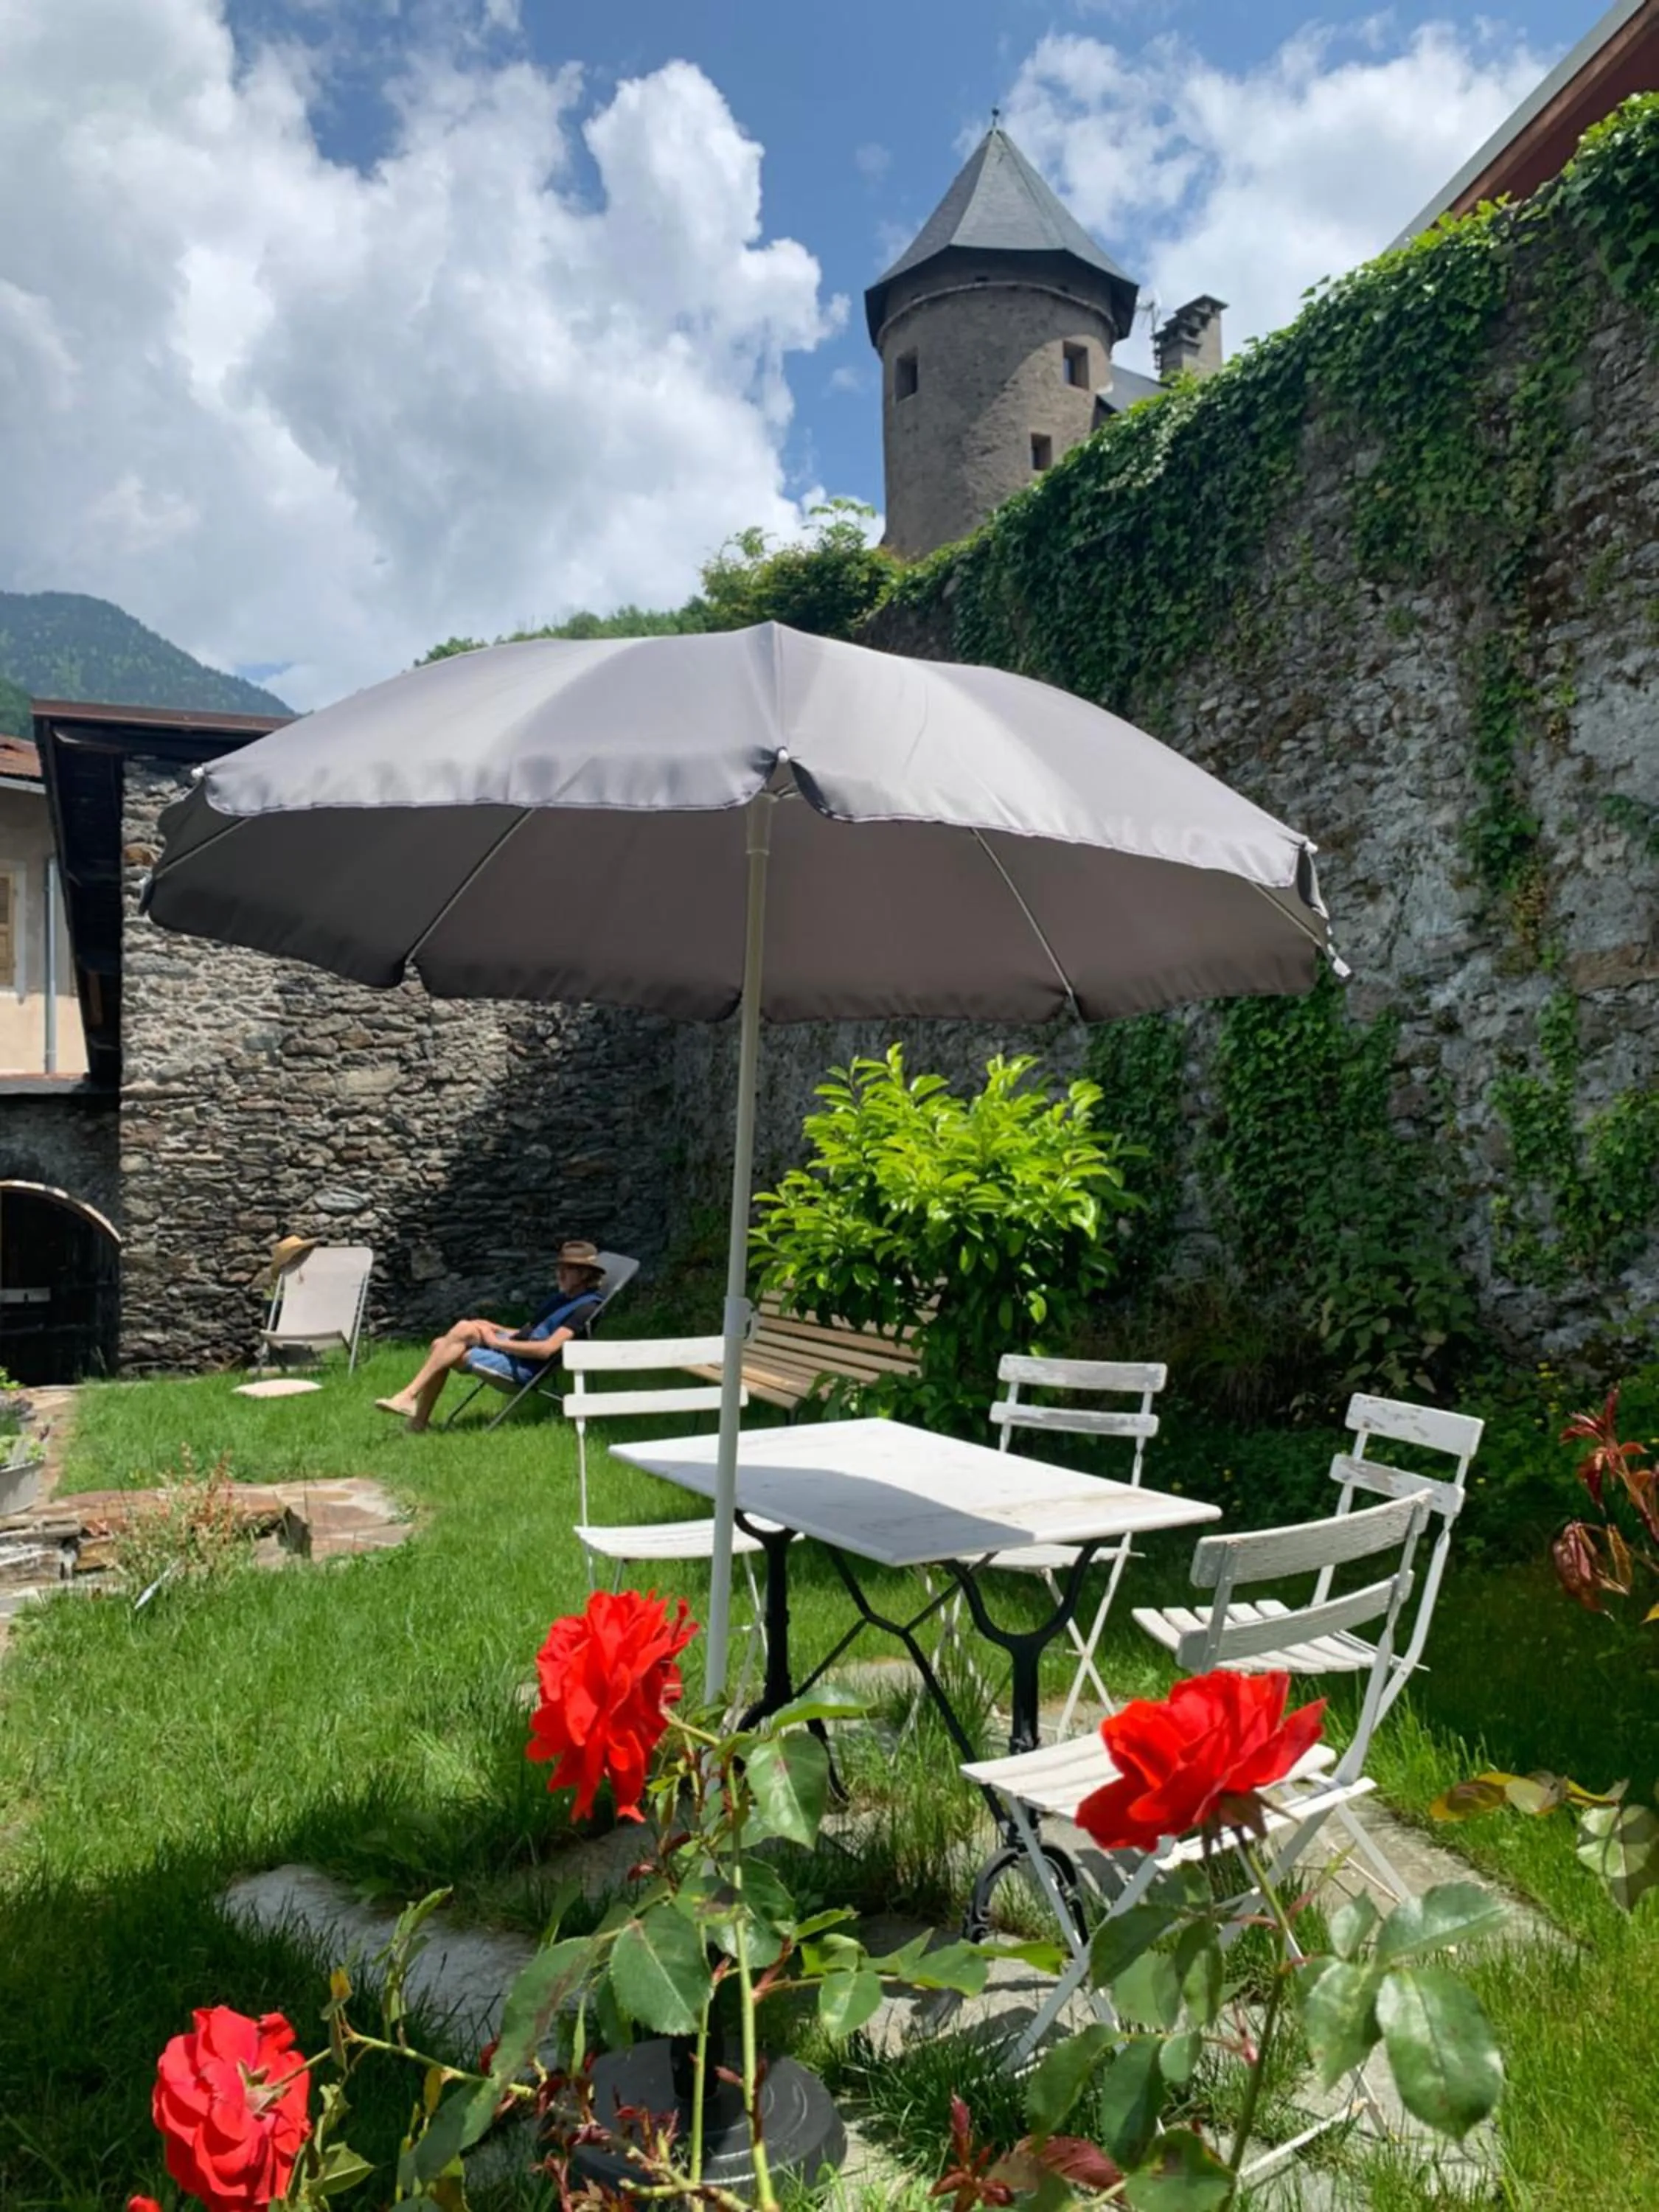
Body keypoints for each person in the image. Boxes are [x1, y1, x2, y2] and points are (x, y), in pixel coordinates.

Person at [374, 1241, 607, 1431]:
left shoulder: (586, 1308)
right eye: (560, 1268)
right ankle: (413, 1412)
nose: (560, 1274)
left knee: (444, 1345)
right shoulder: (564, 1298)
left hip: (526, 1369)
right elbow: (529, 1334)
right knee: (451, 1338)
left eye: (568, 1269)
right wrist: (494, 1327)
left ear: (585, 1273)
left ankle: (411, 1405)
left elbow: (546, 1349)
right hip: (516, 1351)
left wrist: (495, 1342)